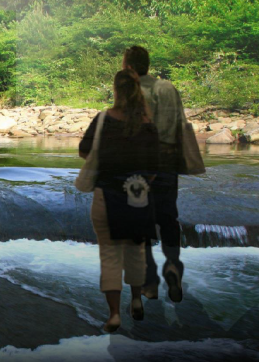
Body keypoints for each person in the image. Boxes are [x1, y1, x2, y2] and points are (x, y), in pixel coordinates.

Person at [80, 69, 160, 333]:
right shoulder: (148, 123)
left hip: (106, 194)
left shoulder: (104, 119)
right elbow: (155, 166)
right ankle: (136, 299)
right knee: (136, 252)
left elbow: (84, 151)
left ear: (115, 90)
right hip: (138, 195)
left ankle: (114, 315)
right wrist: (141, 183)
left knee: (110, 255)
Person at [122, 45, 186, 303]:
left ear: (128, 67)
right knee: (168, 218)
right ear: (147, 64)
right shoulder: (168, 88)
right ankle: (172, 265)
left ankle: (149, 282)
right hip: (167, 165)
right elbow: (178, 125)